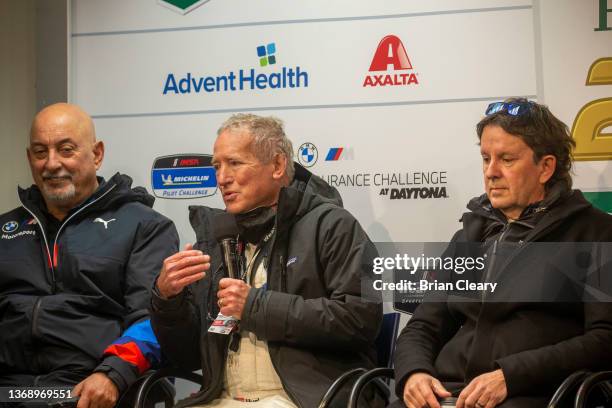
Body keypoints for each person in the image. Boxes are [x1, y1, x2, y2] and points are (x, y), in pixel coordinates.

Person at [151, 114, 382, 408]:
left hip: (307, 399)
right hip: (222, 399)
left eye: (234, 163)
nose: (222, 178)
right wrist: (168, 300)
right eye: (217, 166)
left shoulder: (333, 225)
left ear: (277, 165)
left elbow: (362, 321)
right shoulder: (215, 240)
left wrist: (255, 306)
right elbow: (187, 356)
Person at [393, 98, 612, 408]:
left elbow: (604, 340)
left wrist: (510, 376)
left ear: (545, 167)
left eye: (507, 159)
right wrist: (414, 374)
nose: (491, 172)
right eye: (485, 158)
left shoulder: (596, 233)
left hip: (534, 393)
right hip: (451, 392)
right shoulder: (470, 235)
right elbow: (423, 326)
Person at [0, 103, 179, 408]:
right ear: (29, 158)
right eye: (41, 152)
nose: (52, 163)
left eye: (66, 150)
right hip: (9, 387)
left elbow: (154, 319)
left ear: (96, 154)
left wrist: (113, 374)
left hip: (86, 387)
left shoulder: (144, 227)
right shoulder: (6, 228)